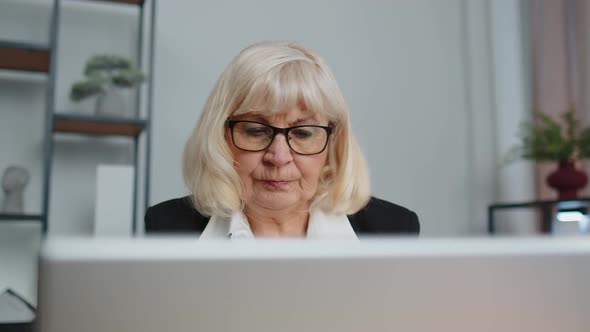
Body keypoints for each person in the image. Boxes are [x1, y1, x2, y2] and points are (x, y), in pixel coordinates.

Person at [145, 41, 419, 239]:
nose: (278, 157)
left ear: (334, 142)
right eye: (255, 130)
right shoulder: (167, 227)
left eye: (302, 133)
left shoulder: (393, 228)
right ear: (221, 136)